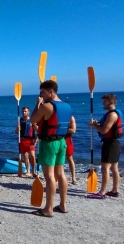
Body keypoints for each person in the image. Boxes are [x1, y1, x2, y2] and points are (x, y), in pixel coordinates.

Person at [30, 80, 72, 217]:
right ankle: (63, 205)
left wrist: (37, 104)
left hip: (49, 144)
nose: (41, 95)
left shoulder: (47, 106)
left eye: (43, 92)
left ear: (51, 92)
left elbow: (33, 120)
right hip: (62, 142)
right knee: (60, 174)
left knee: (49, 177)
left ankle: (48, 209)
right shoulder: (67, 106)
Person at [87, 94, 123, 199]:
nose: (103, 103)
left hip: (110, 144)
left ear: (111, 102)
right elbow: (106, 127)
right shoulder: (113, 113)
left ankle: (102, 193)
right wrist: (97, 123)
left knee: (105, 168)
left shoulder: (112, 115)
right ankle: (114, 190)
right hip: (114, 144)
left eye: (105, 102)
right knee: (114, 168)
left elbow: (104, 130)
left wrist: (94, 125)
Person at [14, 106, 38, 177]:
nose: (24, 113)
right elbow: (15, 132)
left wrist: (35, 142)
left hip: (30, 141)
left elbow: (38, 131)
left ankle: (33, 171)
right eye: (23, 111)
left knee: (33, 156)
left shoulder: (32, 121)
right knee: (25, 156)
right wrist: (17, 130)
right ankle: (28, 171)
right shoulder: (20, 121)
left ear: (28, 112)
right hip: (22, 140)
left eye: (25, 111)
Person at [65, 116, 77, 185]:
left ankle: (73, 177)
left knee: (69, 158)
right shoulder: (57, 115)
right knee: (56, 158)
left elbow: (73, 130)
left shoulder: (71, 117)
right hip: (57, 139)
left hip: (67, 138)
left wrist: (62, 128)